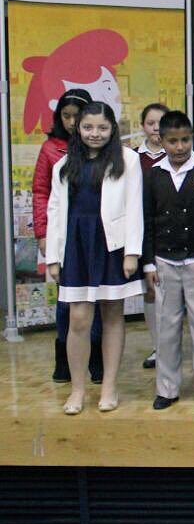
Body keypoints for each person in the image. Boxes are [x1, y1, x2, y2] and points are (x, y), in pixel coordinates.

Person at [46, 101, 144, 415]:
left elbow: (135, 207)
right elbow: (54, 211)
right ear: (78, 128)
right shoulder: (63, 164)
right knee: (78, 318)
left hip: (111, 245)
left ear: (113, 128)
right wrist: (52, 257)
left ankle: (109, 387)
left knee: (112, 314)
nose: (95, 133)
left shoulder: (128, 160)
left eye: (102, 127)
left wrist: (132, 253)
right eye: (88, 127)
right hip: (76, 245)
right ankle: (77, 389)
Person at [142, 111, 194, 410]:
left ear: (193, 138)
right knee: (166, 326)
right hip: (163, 260)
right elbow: (146, 220)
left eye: (185, 140)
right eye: (173, 141)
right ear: (161, 140)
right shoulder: (153, 174)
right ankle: (167, 388)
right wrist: (148, 263)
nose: (179, 147)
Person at [32, 88, 103, 384]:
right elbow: (41, 192)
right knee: (66, 302)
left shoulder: (102, 149)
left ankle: (97, 358)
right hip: (62, 234)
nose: (72, 122)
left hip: (94, 234)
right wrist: (43, 234)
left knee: (97, 300)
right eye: (66, 116)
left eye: (77, 116)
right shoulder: (51, 149)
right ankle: (63, 358)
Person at [136, 102, 169, 370]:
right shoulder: (133, 158)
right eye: (151, 123)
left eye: (161, 123)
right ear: (142, 126)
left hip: (171, 230)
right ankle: (158, 346)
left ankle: (172, 346)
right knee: (150, 289)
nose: (156, 128)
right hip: (143, 230)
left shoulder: (180, 154)